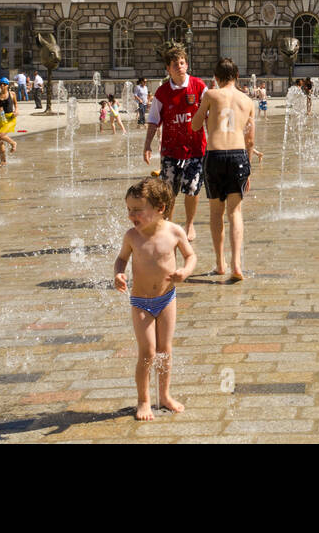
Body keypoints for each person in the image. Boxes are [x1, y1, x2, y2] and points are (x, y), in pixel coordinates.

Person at [114, 177, 196, 419]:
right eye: (129, 209)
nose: (131, 215)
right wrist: (118, 273)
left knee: (164, 350)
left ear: (160, 208)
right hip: (141, 302)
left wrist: (185, 271)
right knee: (147, 352)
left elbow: (190, 256)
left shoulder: (174, 232)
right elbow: (121, 259)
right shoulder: (132, 236)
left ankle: (165, 395)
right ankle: (143, 400)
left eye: (138, 210)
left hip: (167, 298)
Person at [190, 57, 256, 282]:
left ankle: (220, 263)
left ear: (216, 78)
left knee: (216, 212)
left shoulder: (211, 95)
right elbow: (250, 139)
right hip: (238, 156)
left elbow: (195, 125)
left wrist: (204, 111)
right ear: (237, 76)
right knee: (235, 212)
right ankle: (237, 264)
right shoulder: (247, 101)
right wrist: (249, 169)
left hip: (215, 155)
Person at [143, 47, 208, 243]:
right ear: (168, 69)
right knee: (168, 190)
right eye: (175, 64)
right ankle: (168, 226)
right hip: (171, 150)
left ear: (186, 64)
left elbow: (209, 116)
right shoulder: (162, 93)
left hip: (195, 149)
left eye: (182, 63)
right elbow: (154, 120)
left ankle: (189, 224)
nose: (179, 67)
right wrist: (147, 146)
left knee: (192, 187)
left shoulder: (198, 86)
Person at [0, 77, 18, 165]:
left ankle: (13, 143)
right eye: (1, 84)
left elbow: (16, 104)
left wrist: (16, 111)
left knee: (1, 134)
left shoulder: (12, 94)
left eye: (4, 84)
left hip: (11, 118)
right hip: (2, 118)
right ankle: (3, 161)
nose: (2, 86)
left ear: (7, 85)